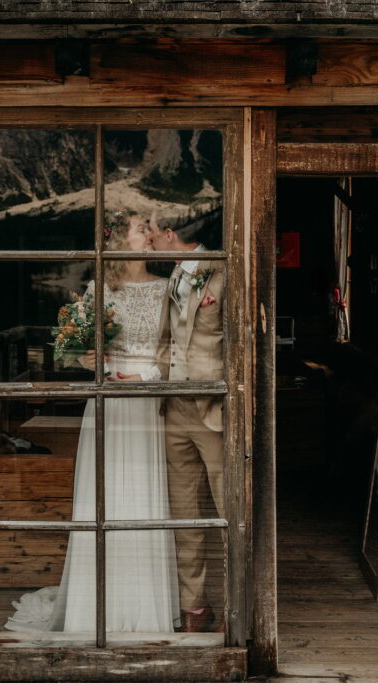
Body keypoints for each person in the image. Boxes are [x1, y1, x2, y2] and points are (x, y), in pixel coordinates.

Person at [5, 210, 180, 634]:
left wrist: (148, 377)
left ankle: (145, 606)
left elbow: (180, 350)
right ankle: (95, 605)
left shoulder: (167, 289)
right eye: (142, 229)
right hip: (110, 404)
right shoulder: (100, 291)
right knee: (105, 498)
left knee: (146, 498)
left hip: (149, 402)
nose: (150, 234)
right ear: (122, 241)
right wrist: (86, 358)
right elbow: (75, 351)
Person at [150, 218, 225, 633]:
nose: (149, 237)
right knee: (184, 514)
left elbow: (241, 340)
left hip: (214, 408)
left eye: (153, 230)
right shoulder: (175, 273)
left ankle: (241, 607)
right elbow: (167, 340)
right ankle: (195, 609)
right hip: (173, 407)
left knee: (230, 511)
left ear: (169, 234)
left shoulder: (224, 270)